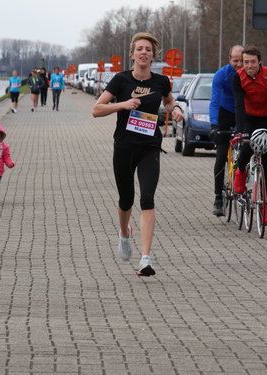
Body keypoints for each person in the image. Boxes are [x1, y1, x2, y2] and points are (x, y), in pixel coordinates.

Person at [92, 32, 184, 276]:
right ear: (132, 54)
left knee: (147, 199)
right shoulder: (120, 80)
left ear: (153, 56)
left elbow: (168, 101)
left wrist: (175, 110)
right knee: (126, 199)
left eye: (148, 49)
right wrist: (122, 104)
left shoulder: (162, 81)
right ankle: (124, 233)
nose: (144, 52)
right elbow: (96, 109)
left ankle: (145, 258)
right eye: (139, 49)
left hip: (150, 147)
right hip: (124, 147)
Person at [231, 46, 267, 226]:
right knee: (247, 147)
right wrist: (240, 131)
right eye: (246, 62)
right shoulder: (237, 77)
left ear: (259, 62)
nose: (249, 65)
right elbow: (239, 106)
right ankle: (240, 172)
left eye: (253, 62)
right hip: (250, 119)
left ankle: (264, 207)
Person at [209, 45, 243, 216]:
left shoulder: (248, 73)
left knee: (246, 151)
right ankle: (218, 198)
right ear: (229, 60)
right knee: (221, 155)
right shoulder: (222, 75)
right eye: (235, 60)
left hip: (242, 112)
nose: (238, 64)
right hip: (224, 113)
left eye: (241, 60)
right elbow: (214, 101)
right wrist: (214, 125)